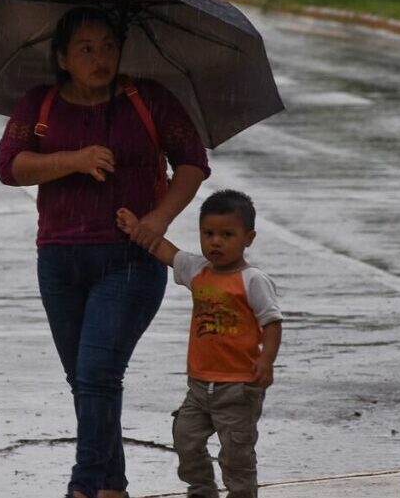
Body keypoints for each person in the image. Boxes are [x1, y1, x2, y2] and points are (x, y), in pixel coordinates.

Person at [0, 6, 210, 498]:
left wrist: (158, 220)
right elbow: (11, 167)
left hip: (129, 263)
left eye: (109, 47)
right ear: (62, 58)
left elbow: (193, 163)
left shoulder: (146, 99)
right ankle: (112, 488)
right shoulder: (40, 104)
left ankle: (83, 486)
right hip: (58, 262)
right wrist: (74, 160)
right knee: (88, 381)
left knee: (96, 374)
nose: (100, 58)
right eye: (86, 49)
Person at [116, 189, 283, 498]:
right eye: (208, 234)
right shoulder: (197, 269)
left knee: (236, 454)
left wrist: (266, 360)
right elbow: (162, 249)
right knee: (185, 438)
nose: (216, 242)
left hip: (239, 387)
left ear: (248, 238)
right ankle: (202, 490)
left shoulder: (253, 280)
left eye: (227, 235)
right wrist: (136, 228)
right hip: (198, 386)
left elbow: (271, 322)